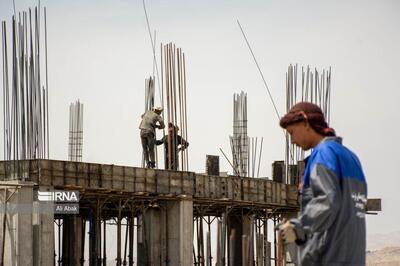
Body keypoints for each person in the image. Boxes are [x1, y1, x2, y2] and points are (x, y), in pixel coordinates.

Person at [277, 102, 367, 265]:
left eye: (291, 133)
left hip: (329, 258)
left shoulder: (323, 154)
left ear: (305, 123)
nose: (292, 141)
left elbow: (327, 201)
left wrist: (297, 227)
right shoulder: (351, 158)